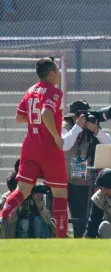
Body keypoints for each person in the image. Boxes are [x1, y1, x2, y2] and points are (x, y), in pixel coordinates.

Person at [0, 57, 68, 238]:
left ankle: (3, 217)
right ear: (52, 73)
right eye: (58, 71)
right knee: (60, 193)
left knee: (22, 190)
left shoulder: (31, 90)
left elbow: (19, 117)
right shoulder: (54, 92)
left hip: (30, 146)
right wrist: (56, 136)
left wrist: (35, 122)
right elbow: (46, 112)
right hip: (49, 148)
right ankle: (62, 237)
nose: (59, 74)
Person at [62, 100, 111, 238]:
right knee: (59, 218)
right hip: (62, 181)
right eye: (82, 115)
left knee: (80, 222)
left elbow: (109, 142)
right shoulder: (65, 125)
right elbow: (64, 144)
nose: (86, 117)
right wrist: (77, 127)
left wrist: (96, 130)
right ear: (74, 117)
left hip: (81, 181)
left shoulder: (91, 129)